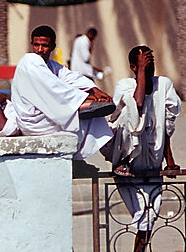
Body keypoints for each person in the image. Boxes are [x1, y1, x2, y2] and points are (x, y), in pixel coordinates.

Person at [110, 45, 182, 252]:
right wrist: (141, 72)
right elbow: (137, 105)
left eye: (151, 64)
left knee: (149, 216)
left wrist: (169, 161)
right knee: (140, 213)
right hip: (128, 164)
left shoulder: (164, 85)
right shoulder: (125, 86)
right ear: (133, 67)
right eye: (143, 66)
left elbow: (166, 126)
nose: (149, 69)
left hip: (152, 164)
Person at [11, 25, 123, 164]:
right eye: (36, 45)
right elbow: (53, 88)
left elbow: (70, 77)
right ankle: (81, 108)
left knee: (95, 118)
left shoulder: (50, 64)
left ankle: (97, 153)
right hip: (33, 121)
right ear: (31, 44)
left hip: (46, 116)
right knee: (88, 114)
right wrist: (86, 97)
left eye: (44, 46)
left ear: (52, 46)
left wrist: (94, 90)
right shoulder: (30, 61)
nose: (40, 50)